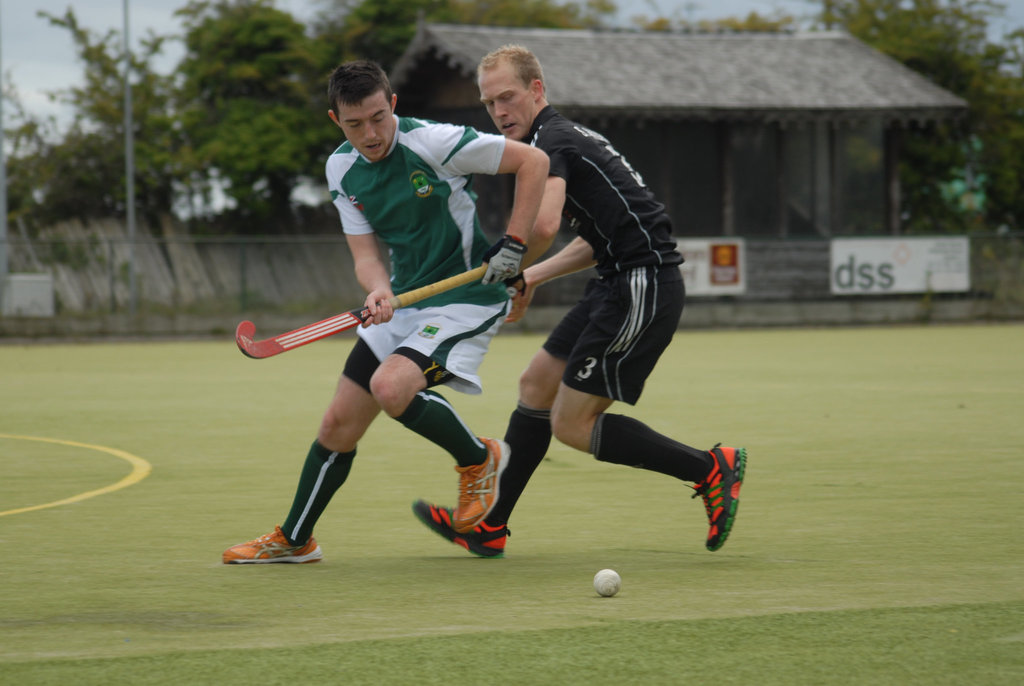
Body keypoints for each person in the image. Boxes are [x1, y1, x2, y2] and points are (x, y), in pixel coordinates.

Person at [412, 45, 747, 558]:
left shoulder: (553, 144)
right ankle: (490, 525)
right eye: (489, 103)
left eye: (508, 97)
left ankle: (709, 468)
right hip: (614, 280)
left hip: (643, 284)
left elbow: (543, 225)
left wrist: (510, 267)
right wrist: (533, 279)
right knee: (534, 384)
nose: (499, 112)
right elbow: (598, 238)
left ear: (537, 90)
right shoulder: (566, 139)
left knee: (572, 424)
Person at [223, 59, 549, 563]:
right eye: (355, 124)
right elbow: (367, 255)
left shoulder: (435, 143)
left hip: (466, 298)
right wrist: (377, 291)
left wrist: (515, 243)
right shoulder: (341, 169)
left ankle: (480, 459)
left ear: (392, 104)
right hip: (404, 301)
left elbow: (533, 163)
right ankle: (295, 540)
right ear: (336, 120)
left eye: (378, 118)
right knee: (337, 425)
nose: (370, 134)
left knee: (390, 386)